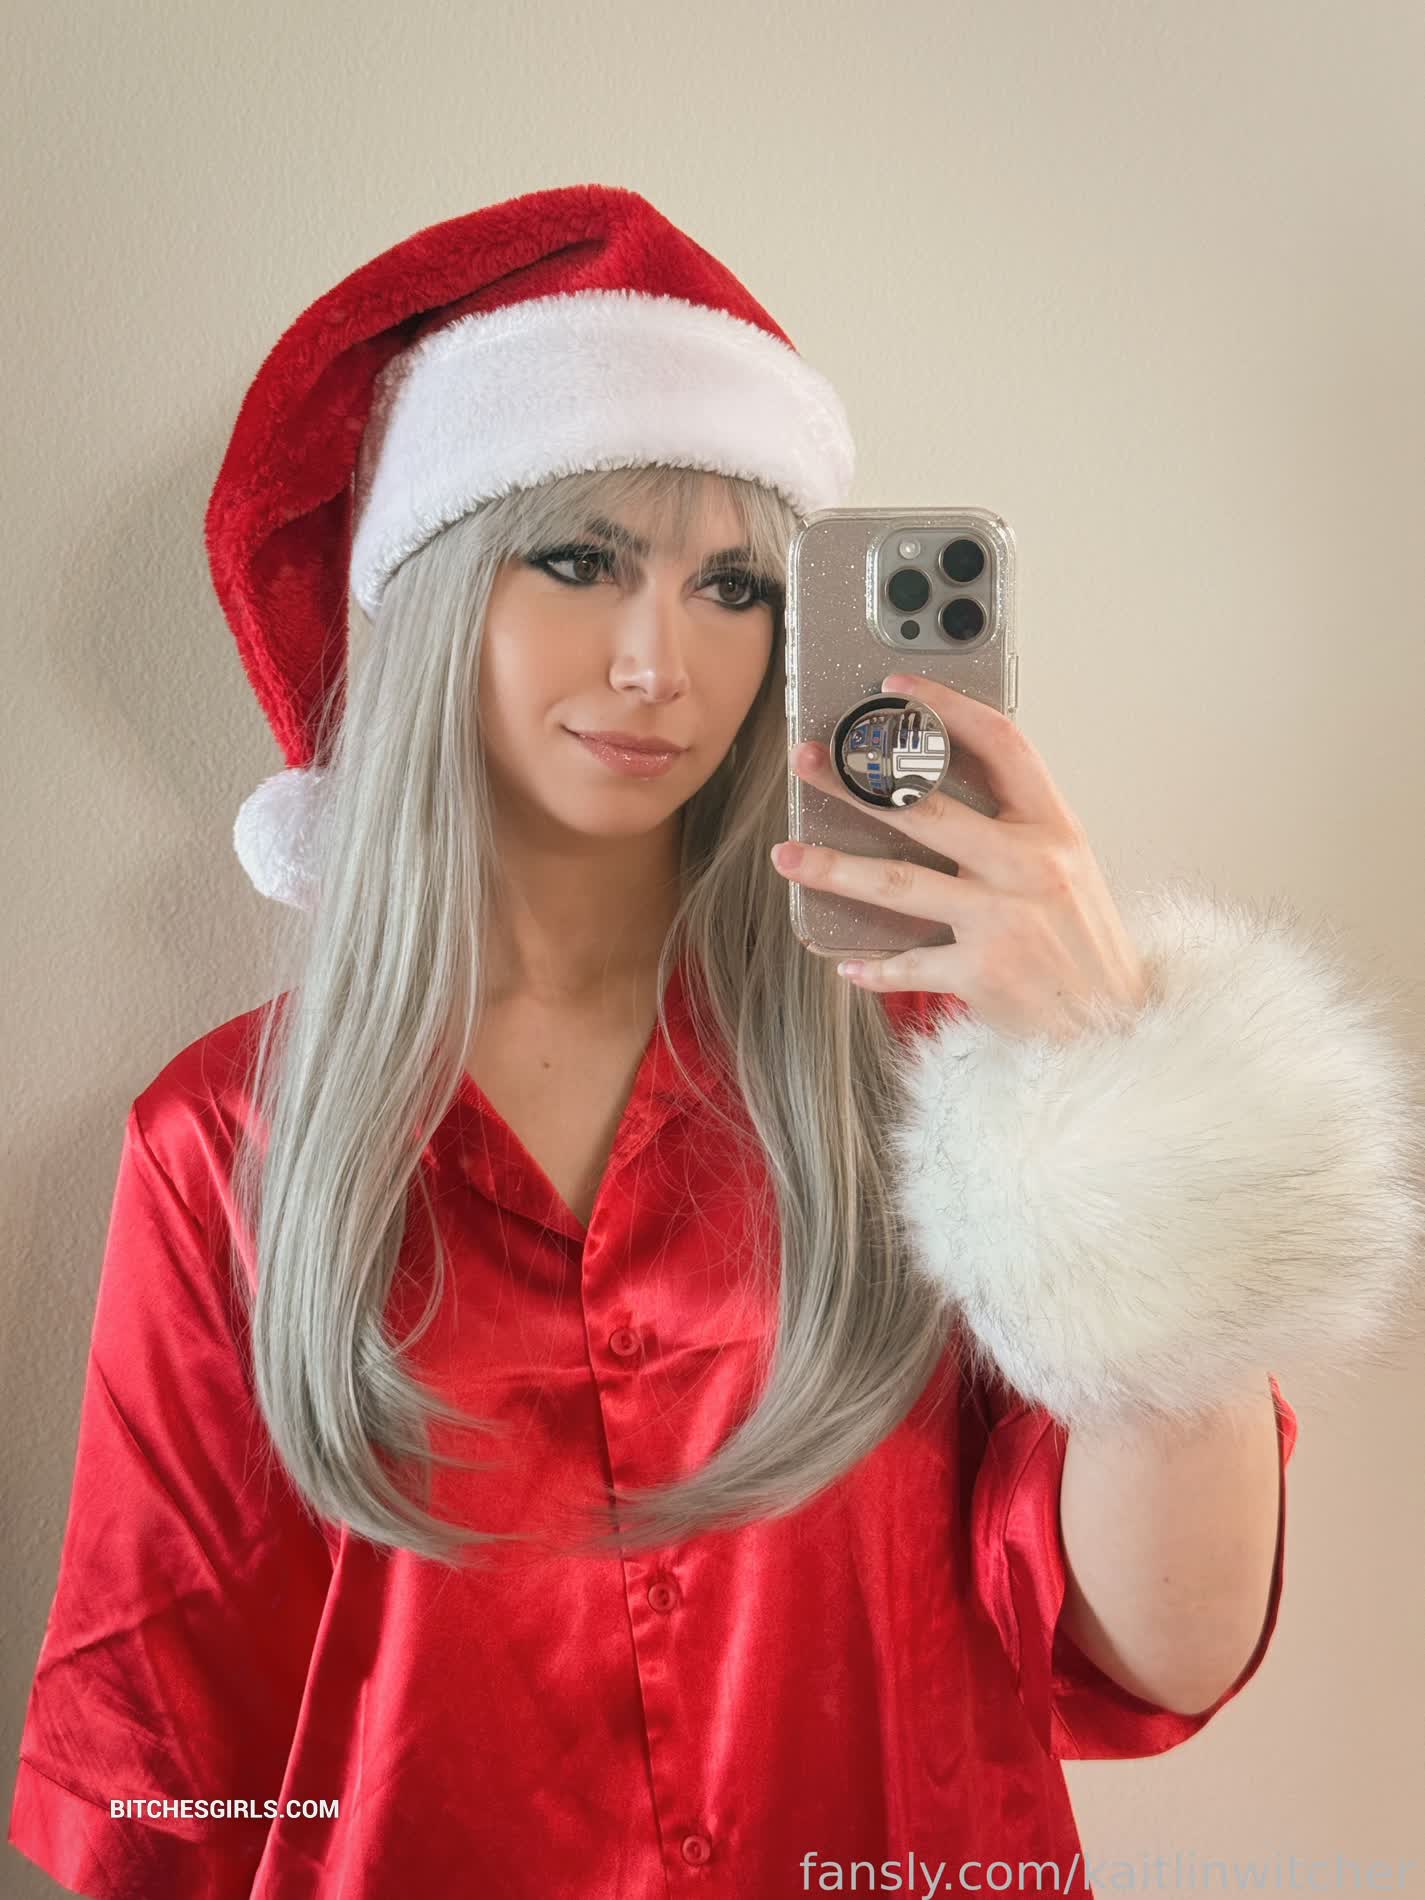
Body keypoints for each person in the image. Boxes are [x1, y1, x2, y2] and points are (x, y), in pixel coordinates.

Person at [9, 183, 1421, 1900]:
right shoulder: (231, 1137)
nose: (656, 663)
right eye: (580, 559)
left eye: (734, 585)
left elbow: (1162, 1648)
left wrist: (1110, 1074)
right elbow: (163, 1772)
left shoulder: (945, 1079)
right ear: (437, 591)